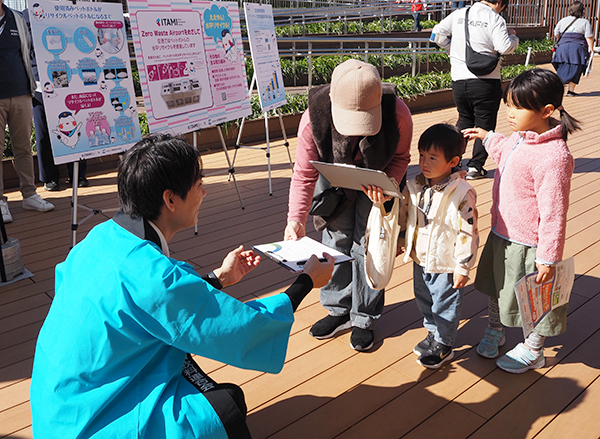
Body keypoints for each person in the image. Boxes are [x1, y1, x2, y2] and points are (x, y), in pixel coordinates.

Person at [30, 134, 335, 438]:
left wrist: (218, 279)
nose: (204, 190)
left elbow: (150, 304)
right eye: (197, 183)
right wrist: (307, 280)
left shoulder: (99, 239)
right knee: (226, 410)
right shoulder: (157, 277)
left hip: (61, 406)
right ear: (170, 199)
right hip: (98, 419)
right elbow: (242, 329)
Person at [284, 59, 413, 352]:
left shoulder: (399, 115)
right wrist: (296, 219)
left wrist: (386, 185)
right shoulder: (312, 119)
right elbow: (304, 174)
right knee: (335, 241)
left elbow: (401, 159)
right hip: (334, 183)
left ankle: (364, 317)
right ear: (332, 100)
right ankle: (338, 310)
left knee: (369, 247)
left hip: (377, 186)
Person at [462, 68, 578, 373]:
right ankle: (496, 329)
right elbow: (506, 152)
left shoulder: (554, 157)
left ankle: (534, 346)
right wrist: (487, 137)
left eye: (518, 107)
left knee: (533, 297)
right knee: (497, 287)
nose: (510, 113)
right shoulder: (520, 138)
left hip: (529, 243)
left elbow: (554, 212)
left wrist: (547, 258)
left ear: (547, 111)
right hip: (503, 231)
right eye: (508, 105)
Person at [395, 123, 478, 369]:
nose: (425, 162)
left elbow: (468, 230)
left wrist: (463, 266)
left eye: (432, 157)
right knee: (423, 298)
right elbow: (408, 215)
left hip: (446, 262)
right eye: (421, 155)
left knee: (445, 303)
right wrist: (402, 241)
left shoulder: (462, 192)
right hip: (421, 258)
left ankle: (444, 344)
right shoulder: (418, 185)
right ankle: (433, 332)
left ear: (453, 161)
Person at [430, 0, 519, 180]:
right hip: (486, 81)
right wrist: (513, 37)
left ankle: (452, 162)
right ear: (500, 3)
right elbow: (505, 47)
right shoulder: (495, 18)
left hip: (459, 80)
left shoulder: (459, 14)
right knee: (484, 124)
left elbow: (436, 35)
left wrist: (453, 50)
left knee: (464, 120)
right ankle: (475, 167)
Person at [23, 7, 89, 192]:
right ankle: (50, 178)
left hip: (63, 76)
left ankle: (78, 174)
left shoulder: (63, 11)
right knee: (43, 132)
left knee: (72, 125)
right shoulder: (26, 16)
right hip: (38, 80)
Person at [0, 0, 54, 223]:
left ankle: (29, 194)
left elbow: (28, 51)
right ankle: (1, 202)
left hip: (21, 92)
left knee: (23, 147)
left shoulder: (17, 18)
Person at [552, 1, 594, 97]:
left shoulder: (563, 20)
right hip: (577, 50)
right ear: (582, 10)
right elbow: (589, 37)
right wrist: (591, 49)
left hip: (563, 48)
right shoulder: (585, 22)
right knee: (576, 69)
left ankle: (558, 88)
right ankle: (570, 91)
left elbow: (556, 34)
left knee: (562, 67)